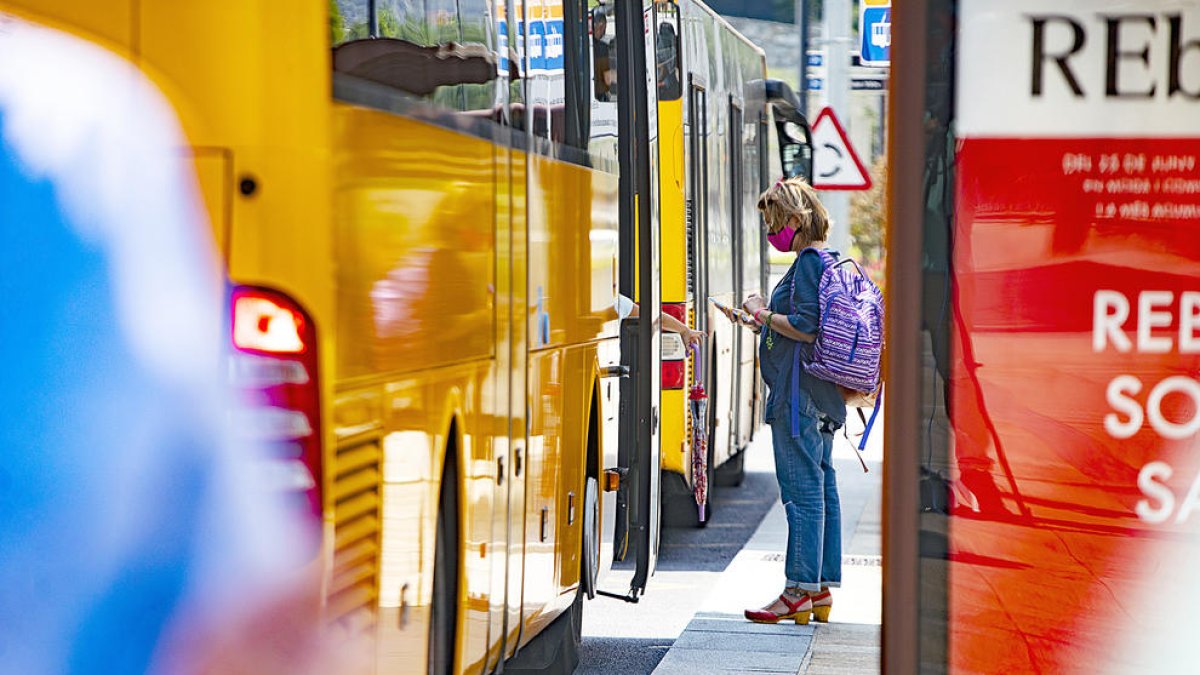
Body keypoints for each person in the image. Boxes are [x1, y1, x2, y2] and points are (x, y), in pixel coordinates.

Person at [722, 177, 847, 625]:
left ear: (796, 219)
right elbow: (800, 326)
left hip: (799, 399)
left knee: (802, 494)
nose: (771, 231)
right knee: (822, 488)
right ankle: (819, 588)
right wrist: (759, 322)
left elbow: (806, 327)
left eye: (775, 223)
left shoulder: (808, 262)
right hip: (820, 396)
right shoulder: (827, 260)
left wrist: (761, 310)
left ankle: (797, 590)